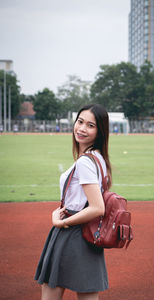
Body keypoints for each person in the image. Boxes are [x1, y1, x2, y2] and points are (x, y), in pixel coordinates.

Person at [35, 104, 112, 300]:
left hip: (72, 232)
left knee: (51, 291)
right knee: (87, 293)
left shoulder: (86, 161)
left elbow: (97, 208)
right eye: (80, 122)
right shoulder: (99, 158)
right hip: (87, 234)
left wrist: (62, 221)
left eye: (90, 125)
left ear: (100, 131)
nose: (82, 128)